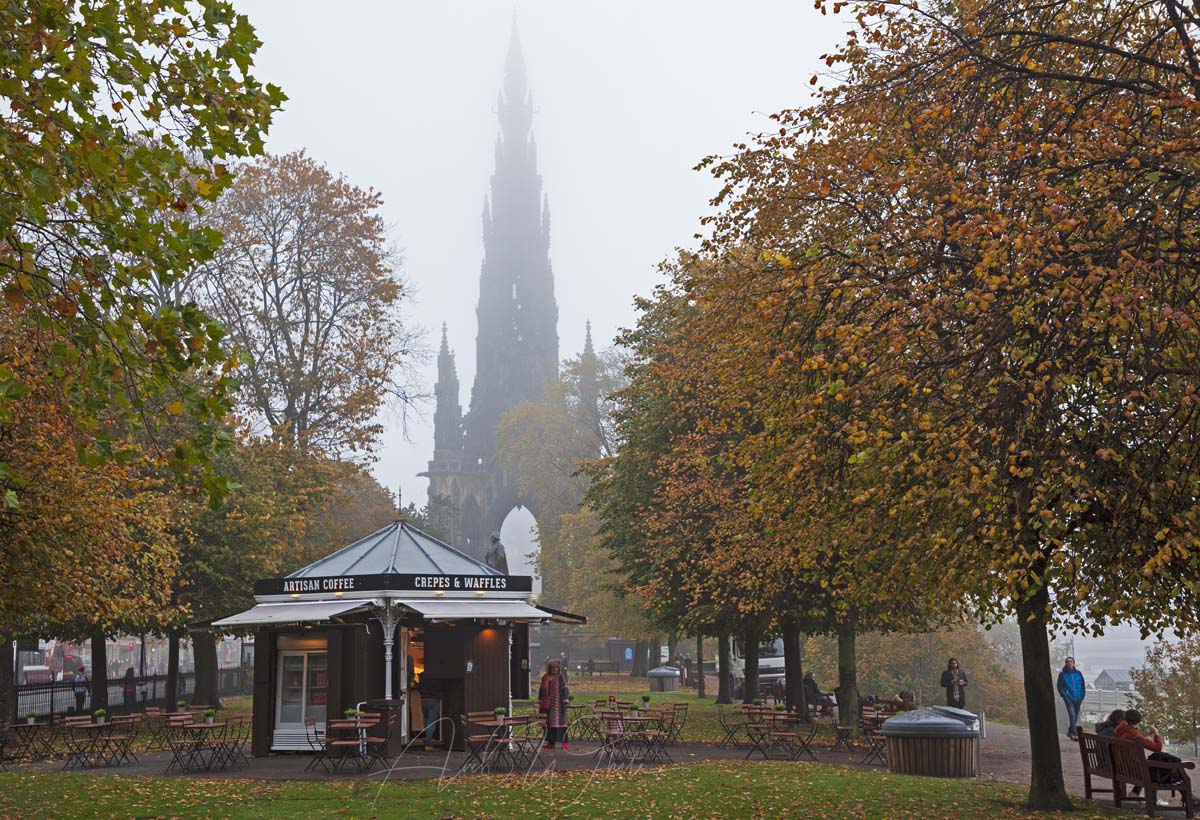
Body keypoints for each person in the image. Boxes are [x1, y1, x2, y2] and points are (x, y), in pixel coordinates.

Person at [537, 658, 570, 750]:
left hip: (558, 704)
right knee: (548, 724)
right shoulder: (545, 677)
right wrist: (540, 700)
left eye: (556, 668)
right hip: (547, 705)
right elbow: (541, 689)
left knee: (560, 723)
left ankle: (565, 742)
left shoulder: (560, 677)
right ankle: (551, 743)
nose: (555, 669)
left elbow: (565, 688)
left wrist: (565, 699)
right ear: (550, 668)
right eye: (553, 668)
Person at [1056, 656, 1086, 740]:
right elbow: (1059, 686)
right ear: (1065, 663)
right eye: (1067, 661)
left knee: (1075, 715)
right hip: (1069, 698)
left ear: (1074, 663)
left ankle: (1070, 731)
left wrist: (1082, 695)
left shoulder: (1078, 673)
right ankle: (1074, 733)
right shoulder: (1062, 674)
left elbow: (1083, 685)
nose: (1069, 663)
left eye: (1071, 661)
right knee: (1072, 715)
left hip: (1078, 698)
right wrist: (1064, 696)